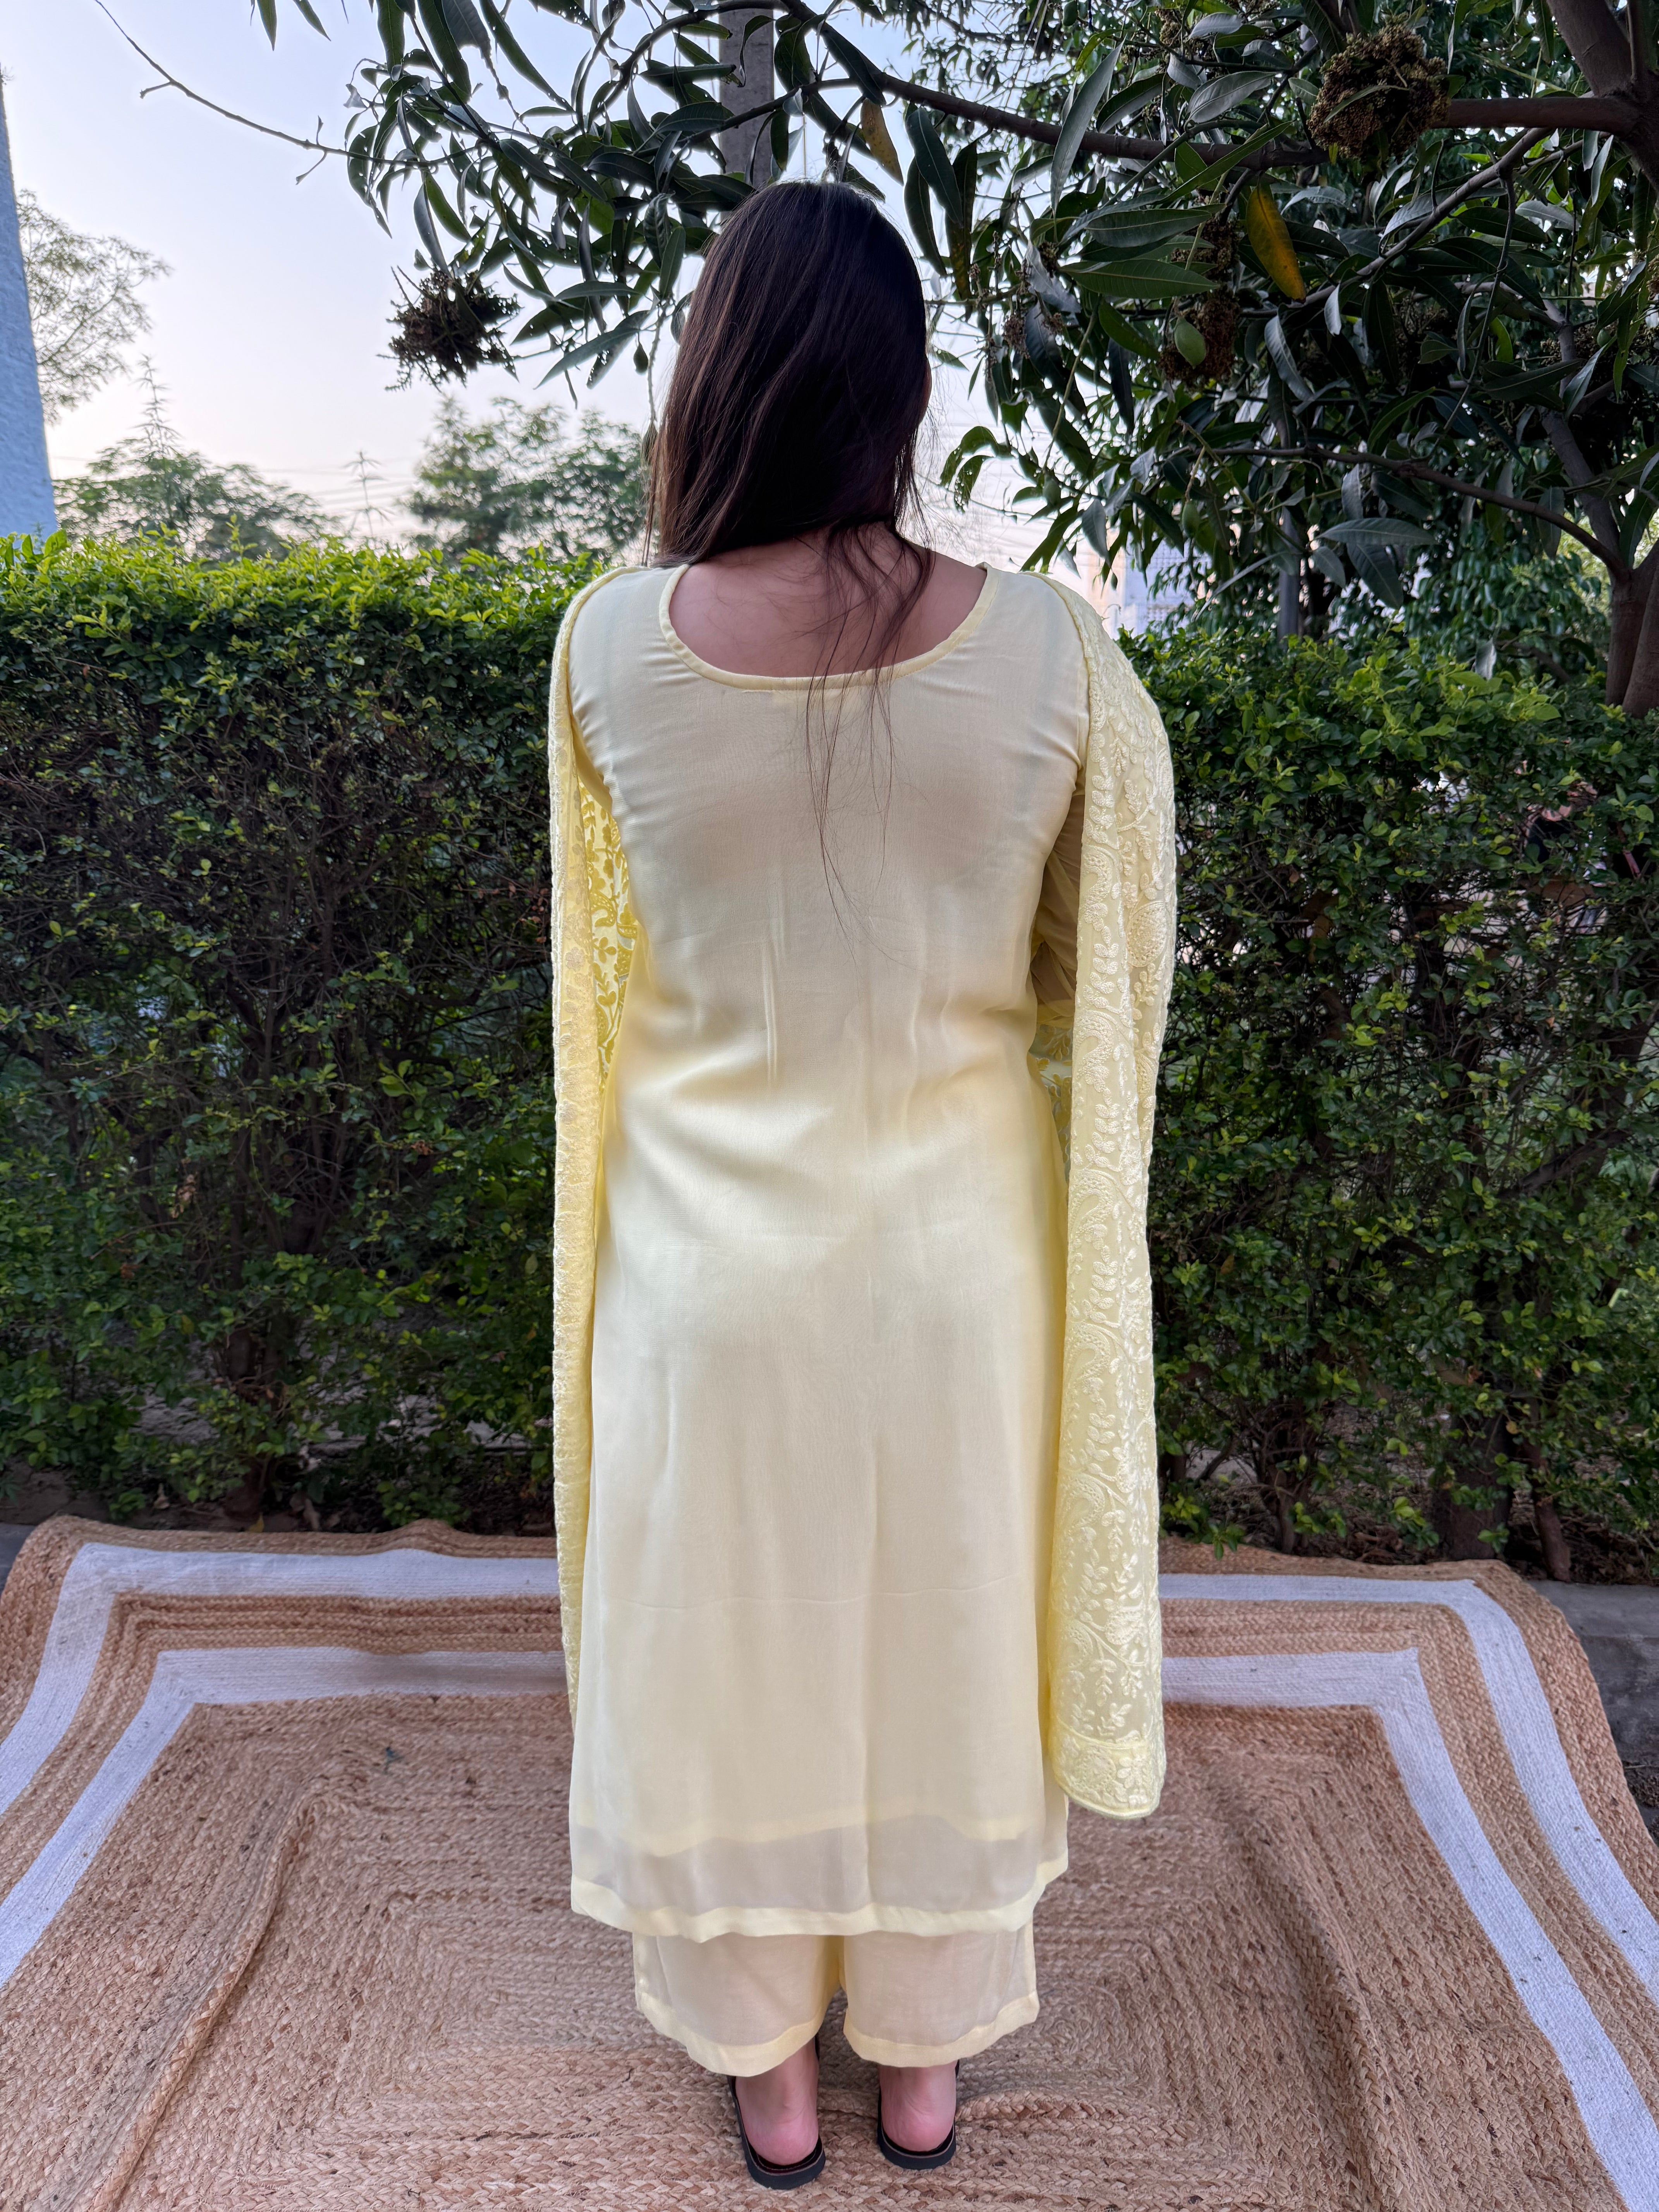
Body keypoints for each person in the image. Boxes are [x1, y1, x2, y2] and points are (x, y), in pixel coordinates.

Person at [547, 180, 1175, 2188]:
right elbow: (1100, 966)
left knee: (725, 1654)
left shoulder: (607, 648)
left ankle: (768, 2073)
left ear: (712, 377)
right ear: (903, 391)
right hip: (959, 1265)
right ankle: (921, 2067)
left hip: (703, 1279)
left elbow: (601, 972)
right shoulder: (1058, 653)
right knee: (942, 1645)